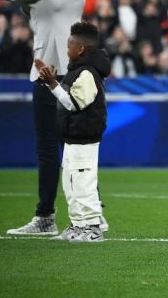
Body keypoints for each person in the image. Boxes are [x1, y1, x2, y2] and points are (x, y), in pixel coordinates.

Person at [0, 0, 101, 235]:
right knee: (79, 148)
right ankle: (91, 213)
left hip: (48, 76)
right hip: (78, 75)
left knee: (48, 150)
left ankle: (45, 217)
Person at [34, 22, 111, 242]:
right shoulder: (77, 71)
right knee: (70, 183)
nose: (66, 51)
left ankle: (93, 227)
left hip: (85, 139)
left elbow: (74, 104)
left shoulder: (87, 73)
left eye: (69, 46)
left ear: (80, 49)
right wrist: (52, 82)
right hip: (73, 137)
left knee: (84, 182)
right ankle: (78, 225)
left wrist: (52, 84)